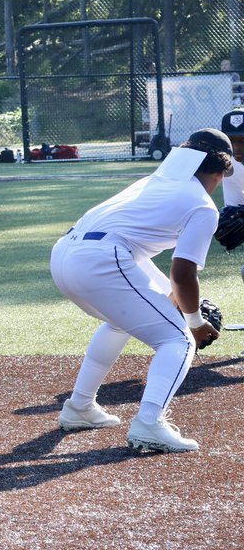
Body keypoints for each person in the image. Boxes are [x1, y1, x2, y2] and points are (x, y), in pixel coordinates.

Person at [51, 130, 227, 453]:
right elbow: (182, 272)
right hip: (101, 260)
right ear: (219, 173)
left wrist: (174, 300)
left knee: (121, 322)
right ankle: (149, 423)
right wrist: (194, 321)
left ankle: (80, 406)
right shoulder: (203, 206)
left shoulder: (156, 181)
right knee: (178, 339)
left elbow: (162, 278)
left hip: (65, 254)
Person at [218, 108, 244, 205]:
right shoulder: (226, 161)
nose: (236, 147)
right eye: (230, 140)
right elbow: (233, 206)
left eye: (242, 140)